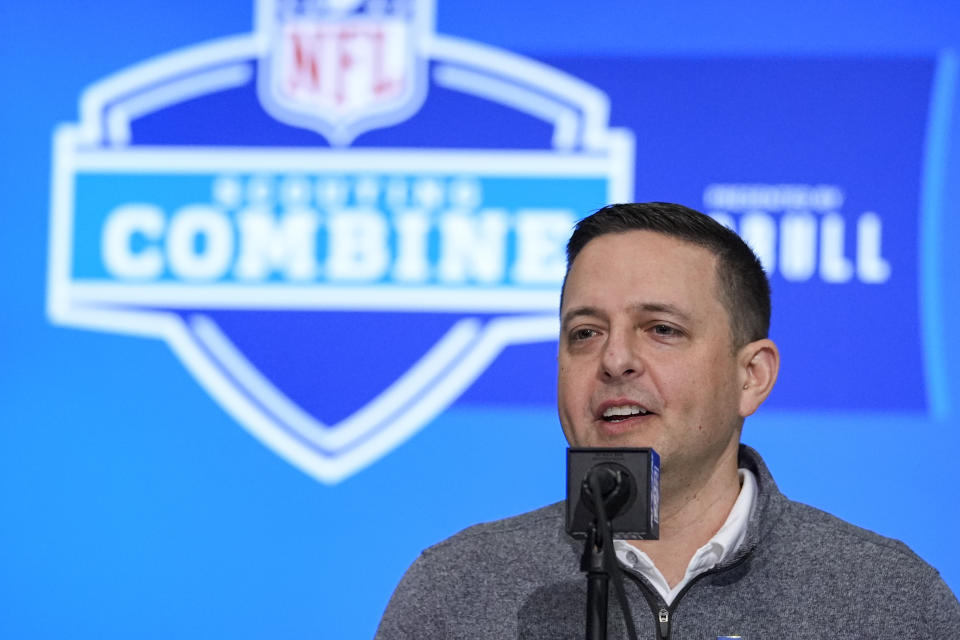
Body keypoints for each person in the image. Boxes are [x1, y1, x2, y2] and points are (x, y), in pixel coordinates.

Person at [375, 202, 960, 639]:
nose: (614, 360)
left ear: (751, 376)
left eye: (661, 329)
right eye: (585, 333)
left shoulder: (888, 600)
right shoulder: (454, 591)